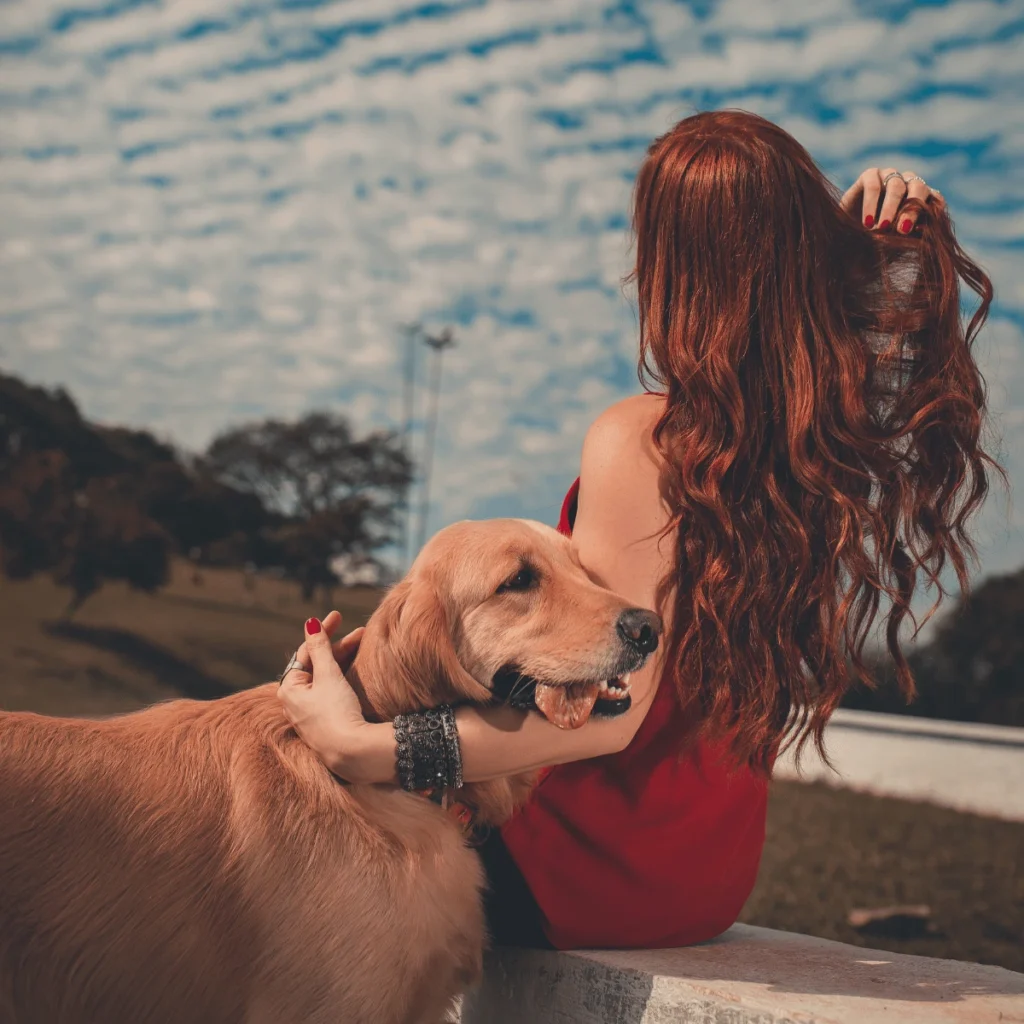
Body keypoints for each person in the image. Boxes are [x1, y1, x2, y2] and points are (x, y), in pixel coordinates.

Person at [277, 110, 998, 951]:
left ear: (673, 270)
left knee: (274, 795)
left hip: (579, 869)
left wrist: (364, 745)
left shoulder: (647, 442)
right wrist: (860, 243)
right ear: (800, 249)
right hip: (700, 877)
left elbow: (614, 715)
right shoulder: (800, 452)